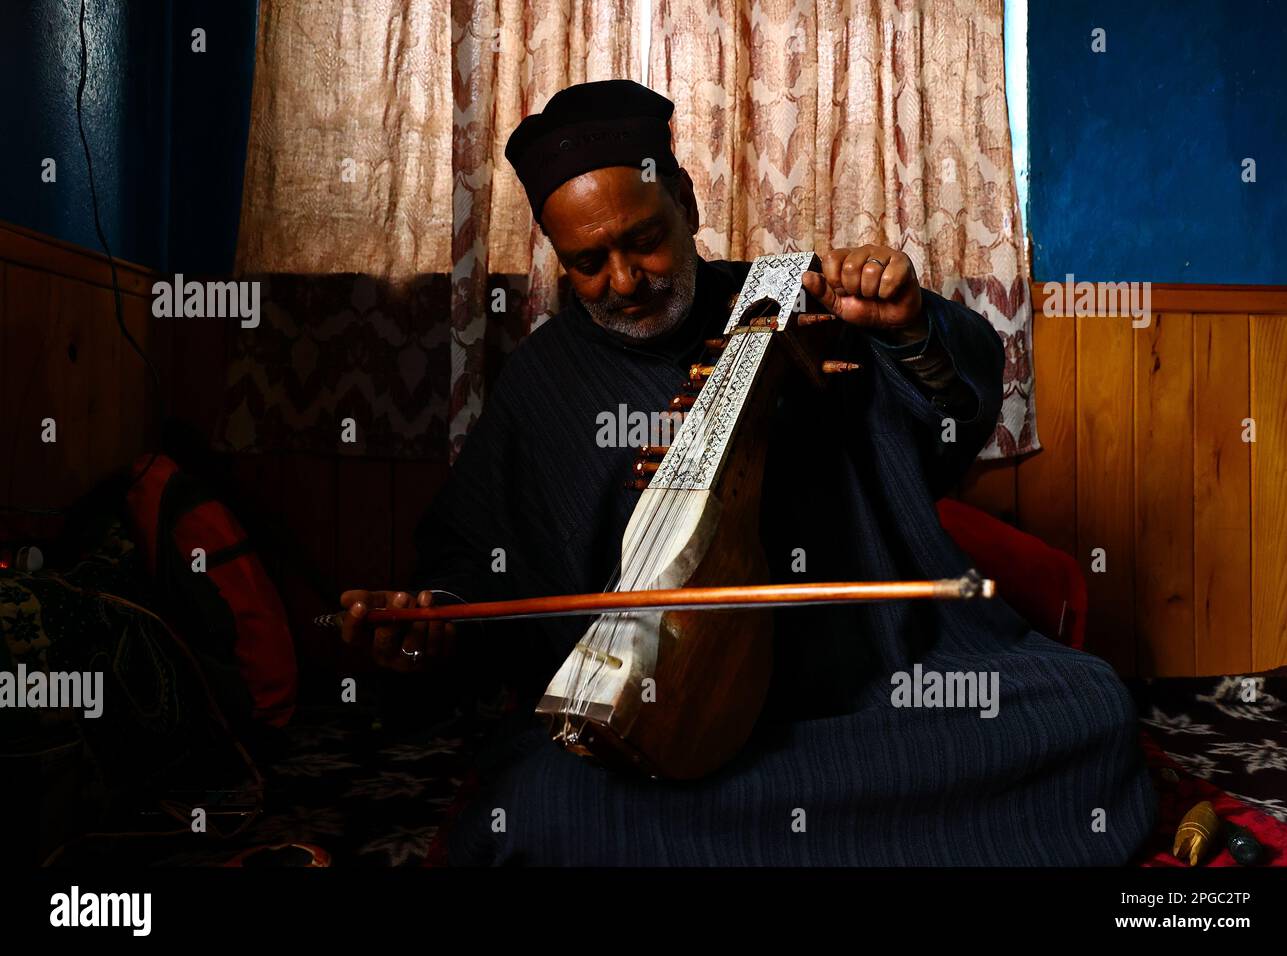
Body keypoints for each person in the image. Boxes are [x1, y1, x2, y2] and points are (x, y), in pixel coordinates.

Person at [340, 79, 1157, 865]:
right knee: (533, 808)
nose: (623, 281)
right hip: (679, 725)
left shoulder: (790, 300)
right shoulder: (544, 383)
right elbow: (471, 560)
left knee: (1090, 709)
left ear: (687, 205)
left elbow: (947, 423)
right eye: (588, 263)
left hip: (868, 693)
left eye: (644, 241)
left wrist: (908, 328)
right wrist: (435, 617)